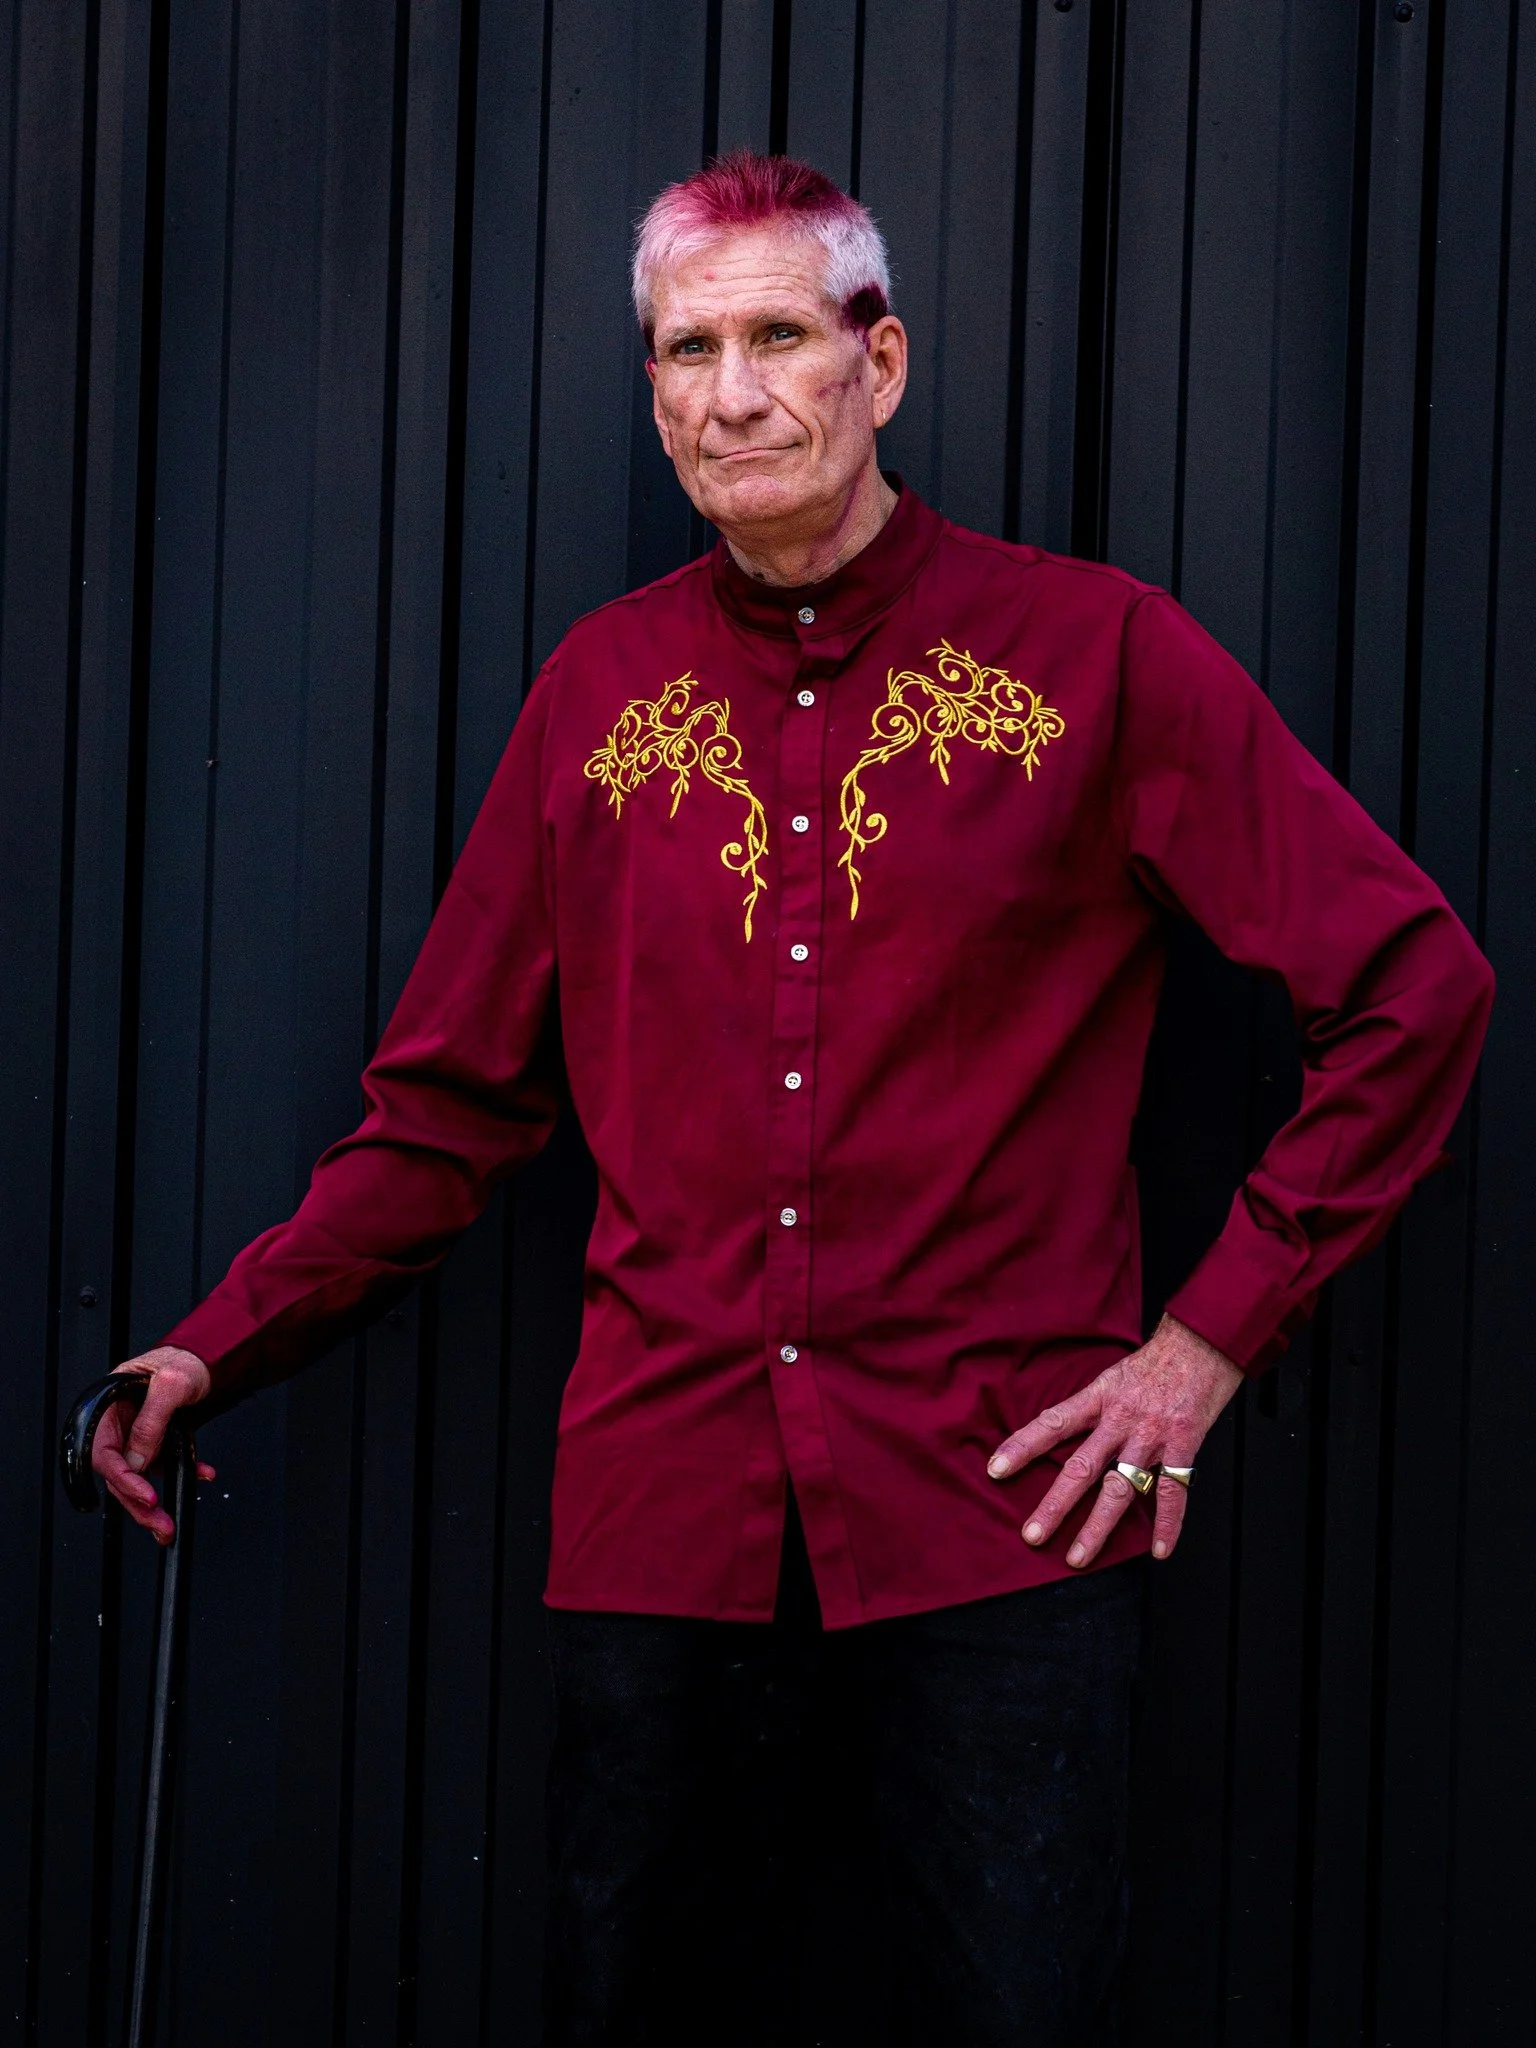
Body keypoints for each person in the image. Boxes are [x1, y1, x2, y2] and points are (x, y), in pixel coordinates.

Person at [94, 152, 1493, 2045]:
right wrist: (215, 1345)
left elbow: (1415, 985)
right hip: (664, 1534)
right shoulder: (600, 700)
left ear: (880, 362)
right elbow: (441, 1112)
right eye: (686, 348)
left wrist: (1202, 1347)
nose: (731, 390)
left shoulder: (1095, 662)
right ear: (652, 386)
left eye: (777, 336)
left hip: (998, 1524)